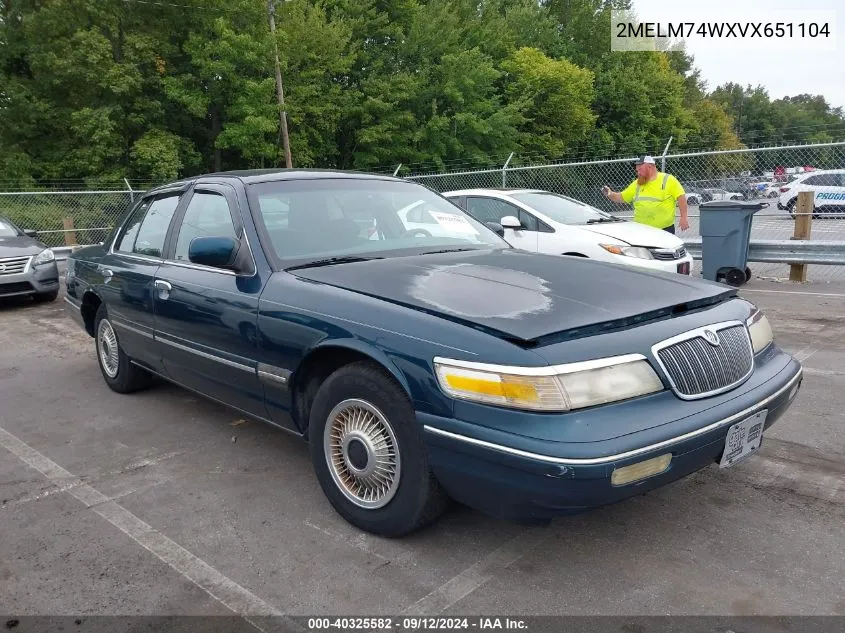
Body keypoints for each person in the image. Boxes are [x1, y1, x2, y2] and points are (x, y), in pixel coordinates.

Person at [601, 155, 689, 233]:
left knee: (664, 252)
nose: (638, 172)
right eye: (637, 170)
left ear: (650, 166)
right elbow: (621, 197)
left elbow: (681, 197)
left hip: (664, 230)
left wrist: (684, 218)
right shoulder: (637, 183)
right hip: (641, 230)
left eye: (640, 169)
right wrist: (610, 193)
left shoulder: (668, 179)